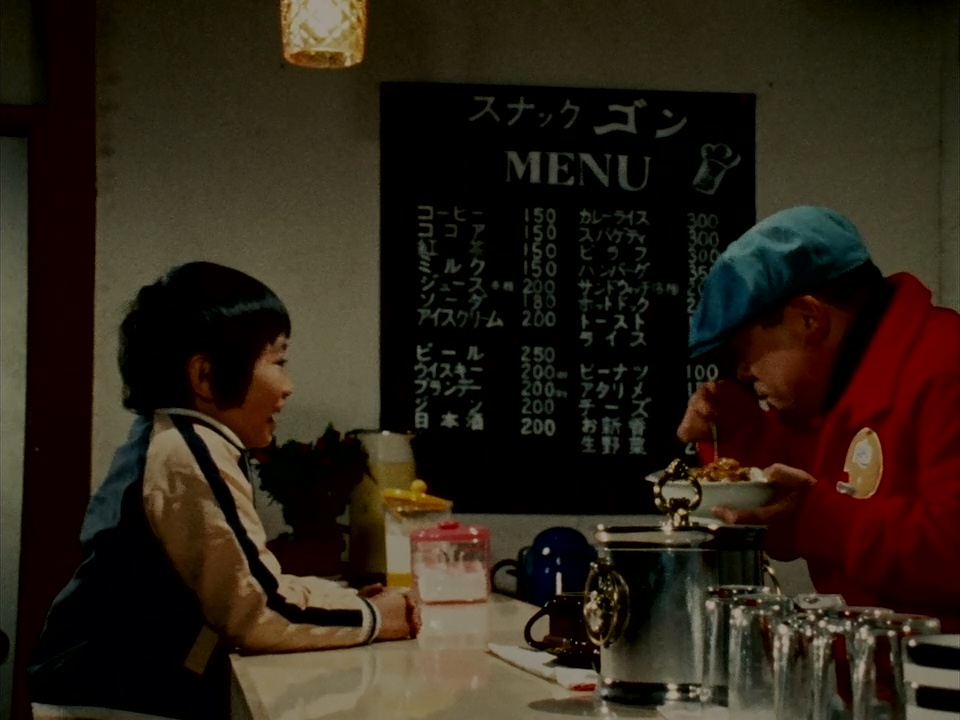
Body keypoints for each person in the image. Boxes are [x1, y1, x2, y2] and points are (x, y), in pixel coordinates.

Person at [27, 262, 420, 719]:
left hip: (105, 689)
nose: (288, 387)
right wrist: (377, 619)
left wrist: (350, 602)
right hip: (108, 697)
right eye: (279, 361)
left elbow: (251, 581)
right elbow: (256, 613)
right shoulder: (188, 449)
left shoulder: (176, 438)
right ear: (205, 376)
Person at [677, 206, 960, 630]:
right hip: (868, 666)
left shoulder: (946, 364)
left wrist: (817, 515)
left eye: (745, 350)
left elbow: (951, 555)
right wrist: (741, 435)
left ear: (808, 319)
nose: (743, 372)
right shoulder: (835, 392)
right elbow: (790, 532)